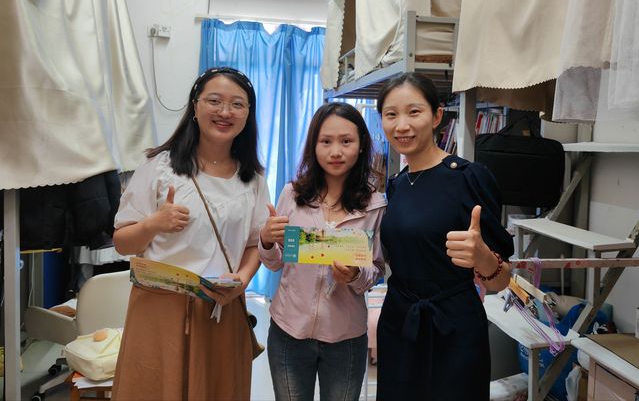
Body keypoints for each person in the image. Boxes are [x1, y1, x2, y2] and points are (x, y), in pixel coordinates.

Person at [111, 67, 269, 400]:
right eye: (214, 101)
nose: (225, 112)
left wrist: (242, 280)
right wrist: (154, 224)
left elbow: (255, 242)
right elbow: (122, 242)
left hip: (221, 308)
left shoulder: (252, 178)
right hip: (159, 309)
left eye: (237, 104)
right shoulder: (160, 167)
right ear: (195, 107)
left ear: (248, 114)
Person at [375, 72, 514, 400]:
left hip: (454, 327)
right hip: (399, 321)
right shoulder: (396, 185)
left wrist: (483, 258)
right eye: (391, 114)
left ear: (437, 116)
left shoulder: (470, 177)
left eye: (414, 112)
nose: (402, 125)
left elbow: (502, 281)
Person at [259, 102, 386, 401]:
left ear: (361, 145)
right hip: (289, 331)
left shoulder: (375, 205)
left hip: (346, 337)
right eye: (326, 141)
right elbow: (275, 263)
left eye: (346, 141)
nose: (335, 151)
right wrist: (265, 240)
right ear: (313, 146)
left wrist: (354, 275)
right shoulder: (293, 194)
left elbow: (377, 269)